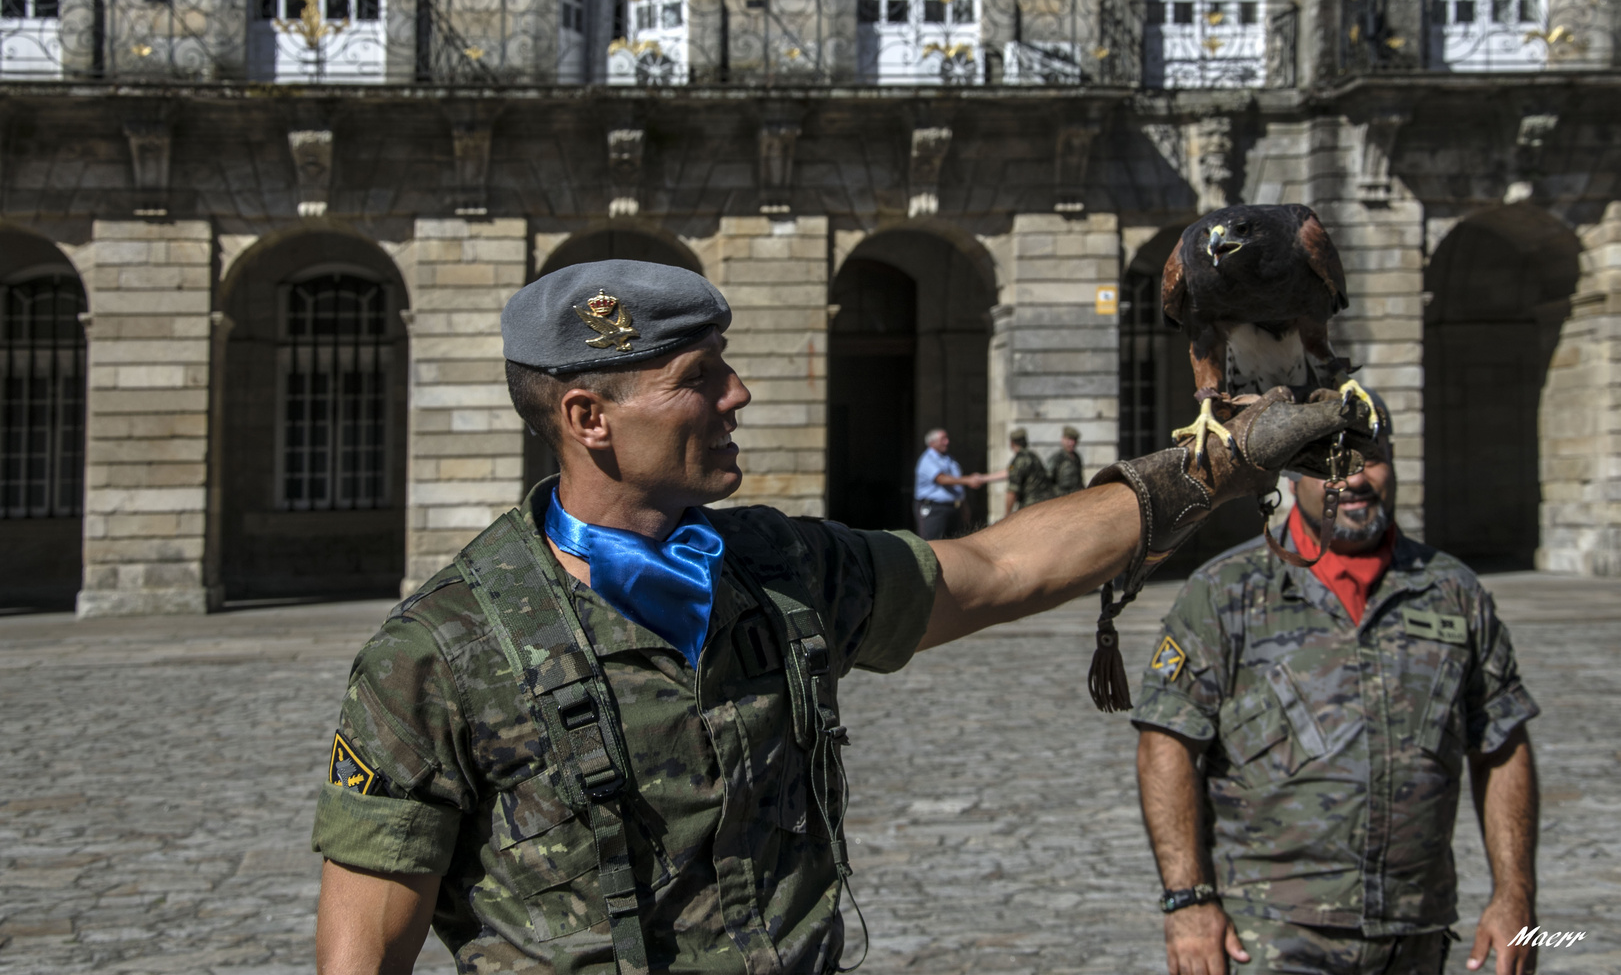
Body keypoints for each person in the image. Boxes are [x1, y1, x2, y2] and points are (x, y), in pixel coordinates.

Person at [310, 258, 1360, 975]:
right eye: (699, 378)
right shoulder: (437, 655)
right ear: (589, 419)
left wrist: (1213, 468)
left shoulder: (773, 566)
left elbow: (992, 568)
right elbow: (364, 949)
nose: (741, 394)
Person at [1132, 402, 1540, 975]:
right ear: (1289, 477)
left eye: (1369, 459)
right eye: (1328, 463)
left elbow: (1500, 742)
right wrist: (1187, 899)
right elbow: (1166, 743)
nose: (1351, 480)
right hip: (1267, 932)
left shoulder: (1453, 592)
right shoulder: (1227, 592)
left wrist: (1514, 895)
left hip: (1413, 932)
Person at [912, 427, 982, 540]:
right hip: (934, 509)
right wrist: (968, 480)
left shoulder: (949, 459)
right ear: (932, 442)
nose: (947, 442)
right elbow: (942, 479)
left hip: (953, 508)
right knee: (934, 544)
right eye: (943, 439)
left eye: (947, 438)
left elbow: (957, 484)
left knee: (955, 543)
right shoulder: (927, 459)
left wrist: (964, 506)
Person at [1003, 427, 1055, 516]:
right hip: (1047, 503)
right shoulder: (1034, 456)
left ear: (1011, 443)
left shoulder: (1018, 460)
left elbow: (1012, 491)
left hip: (1030, 507)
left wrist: (1006, 516)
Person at [1049, 425, 1084, 497]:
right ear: (1063, 439)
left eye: (1074, 440)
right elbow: (1048, 481)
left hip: (1077, 497)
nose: (1072, 443)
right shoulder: (1057, 458)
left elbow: (1080, 480)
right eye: (1069, 439)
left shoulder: (1077, 457)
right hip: (1061, 498)